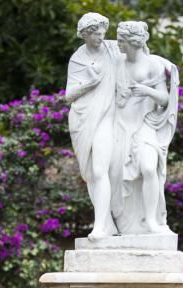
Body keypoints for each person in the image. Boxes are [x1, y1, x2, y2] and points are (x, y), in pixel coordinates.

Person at [111, 21, 179, 235]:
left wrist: (145, 90)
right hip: (120, 125)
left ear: (132, 42)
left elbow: (165, 98)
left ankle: (152, 221)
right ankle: (125, 224)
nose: (118, 44)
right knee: (117, 176)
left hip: (145, 125)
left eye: (121, 40)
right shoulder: (117, 63)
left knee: (149, 168)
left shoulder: (152, 65)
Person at [66, 13, 121, 239]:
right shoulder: (77, 59)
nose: (101, 37)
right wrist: (90, 83)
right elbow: (69, 95)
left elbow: (141, 55)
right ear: (86, 35)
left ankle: (99, 227)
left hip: (107, 117)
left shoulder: (114, 50)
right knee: (89, 173)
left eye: (102, 33)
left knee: (100, 170)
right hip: (82, 118)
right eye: (96, 34)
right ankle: (107, 223)